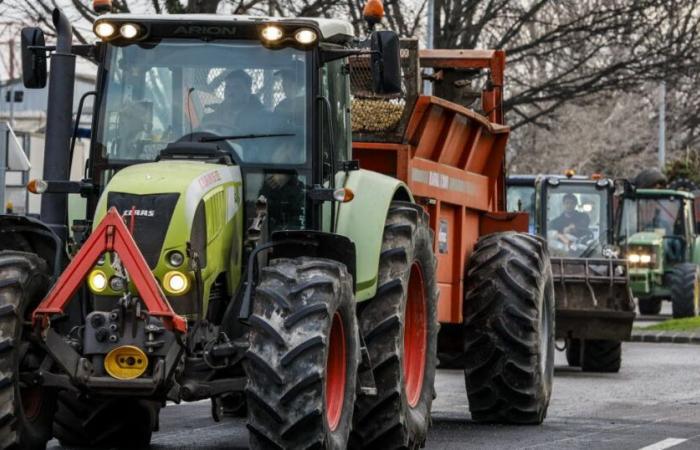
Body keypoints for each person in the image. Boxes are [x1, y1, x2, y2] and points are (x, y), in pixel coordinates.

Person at [201, 70, 265, 135]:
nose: (230, 92)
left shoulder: (260, 119)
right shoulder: (210, 119)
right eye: (227, 87)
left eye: (236, 87)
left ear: (248, 91)